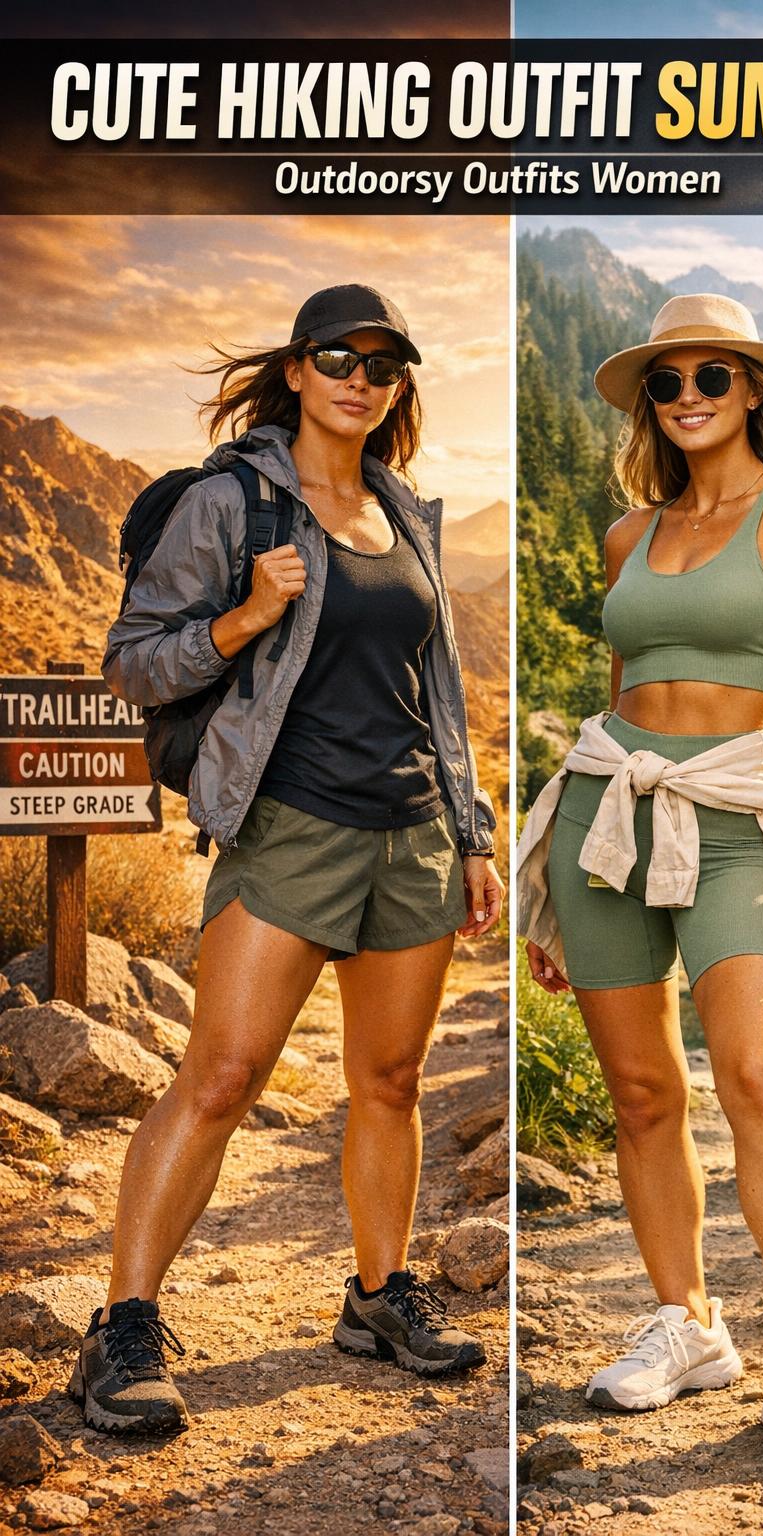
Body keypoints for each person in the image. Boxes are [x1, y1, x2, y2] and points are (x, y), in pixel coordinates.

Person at [70, 284, 505, 1436]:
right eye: (338, 356)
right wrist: (245, 616)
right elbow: (133, 664)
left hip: (409, 834)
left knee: (391, 1083)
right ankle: (120, 1329)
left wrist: (470, 833)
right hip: (290, 825)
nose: (360, 376)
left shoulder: (403, 511)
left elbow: (438, 693)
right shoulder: (231, 504)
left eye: (384, 362)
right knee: (221, 1079)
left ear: (399, 384)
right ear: (299, 370)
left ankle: (376, 1298)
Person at [518, 294, 763, 1471]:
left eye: (709, 376)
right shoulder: (625, 534)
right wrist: (557, 878)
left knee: (756, 1071)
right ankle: (688, 1323)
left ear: (750, 388)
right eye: (666, 381)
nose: (686, 396)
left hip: (742, 814)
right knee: (641, 1092)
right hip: (608, 815)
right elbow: (619, 686)